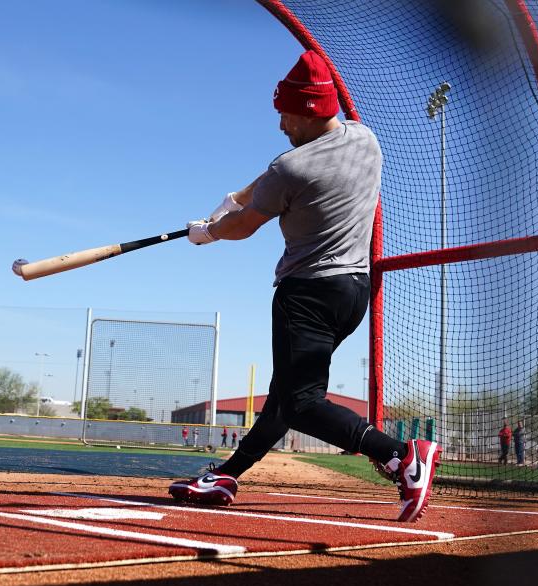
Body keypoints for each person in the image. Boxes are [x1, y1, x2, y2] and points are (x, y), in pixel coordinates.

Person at [168, 51, 441, 523]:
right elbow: (273, 174)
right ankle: (229, 474)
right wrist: (236, 197)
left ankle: (402, 455)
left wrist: (208, 230)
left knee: (300, 402)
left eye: (287, 114)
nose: (280, 124)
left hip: (306, 293)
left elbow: (244, 226)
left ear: (310, 112)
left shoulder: (291, 171)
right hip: (354, 292)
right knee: (286, 393)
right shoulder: (365, 138)